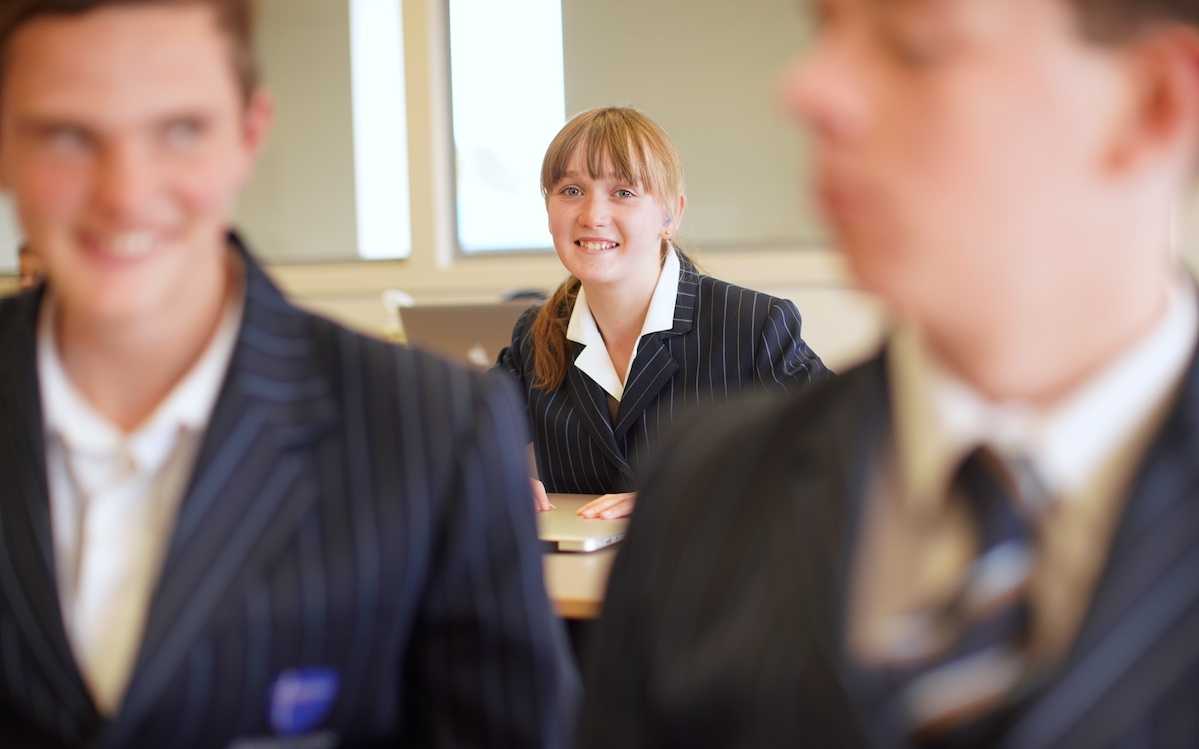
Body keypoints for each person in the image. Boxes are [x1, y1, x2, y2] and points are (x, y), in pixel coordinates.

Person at [580, 0, 1199, 746]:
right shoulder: (703, 488)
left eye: (915, 44)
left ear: (1153, 104)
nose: (806, 88)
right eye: (825, 30)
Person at [0, 1, 577, 747]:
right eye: (68, 136)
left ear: (248, 133)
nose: (124, 192)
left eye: (179, 130)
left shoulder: (431, 430)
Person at [498, 107, 828, 519]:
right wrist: (493, 478)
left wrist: (687, 498)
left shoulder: (754, 325)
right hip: (571, 581)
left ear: (670, 215)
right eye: (571, 191)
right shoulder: (534, 336)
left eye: (623, 193)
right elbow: (461, 445)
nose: (592, 216)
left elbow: (842, 457)